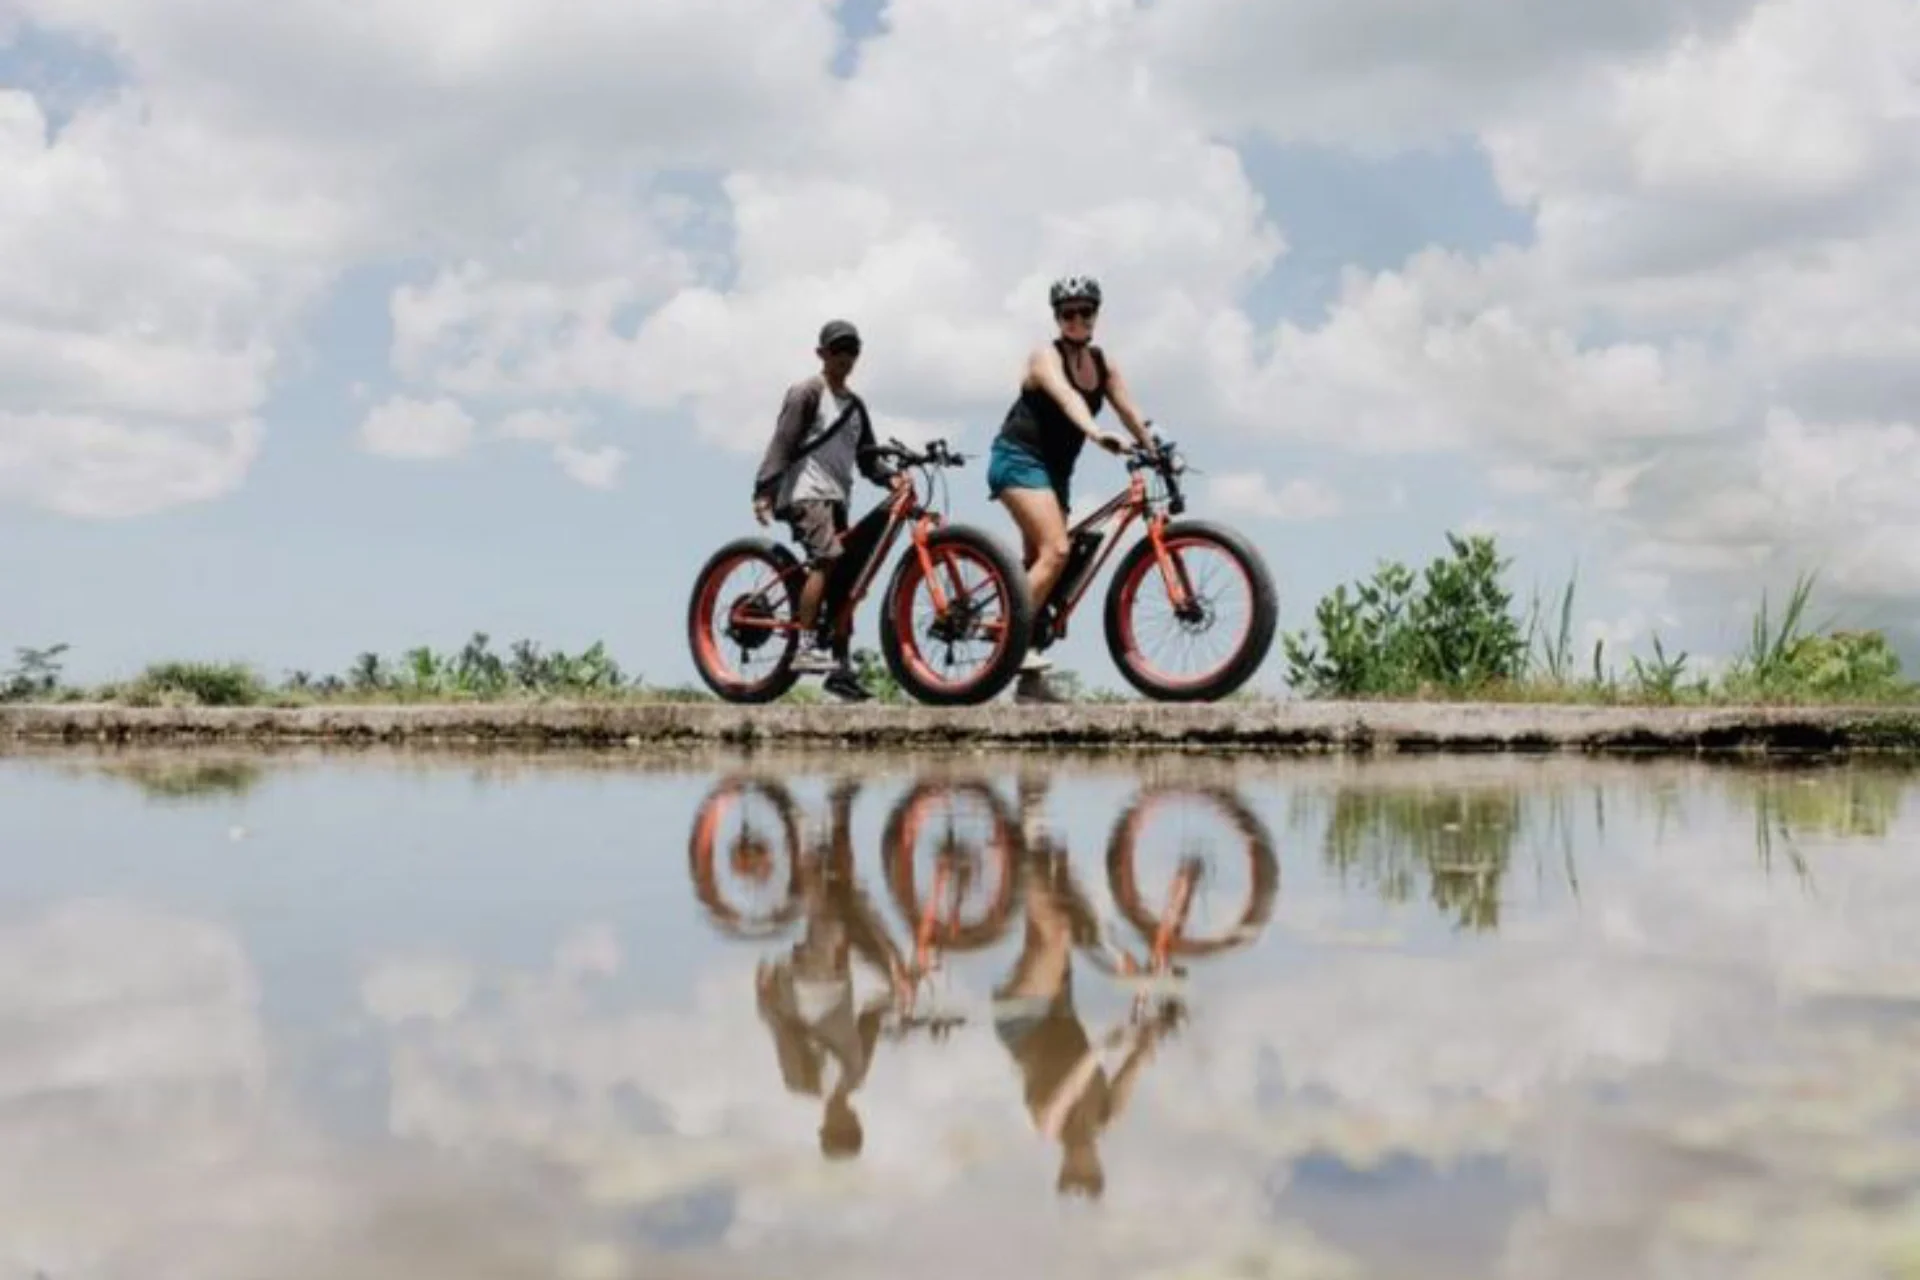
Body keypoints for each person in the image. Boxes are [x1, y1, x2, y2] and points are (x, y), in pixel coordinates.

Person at [986, 276, 1157, 703]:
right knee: (1057, 551)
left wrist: (1157, 448)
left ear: (1096, 313)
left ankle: (1029, 681)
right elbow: (1067, 399)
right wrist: (1097, 433)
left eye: (1086, 311)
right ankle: (1006, 637)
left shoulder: (1103, 364)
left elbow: (1131, 410)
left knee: (1044, 566)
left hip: (1057, 473)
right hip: (1018, 460)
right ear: (1058, 318)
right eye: (1068, 314)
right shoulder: (1043, 358)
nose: (1078, 319)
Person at [753, 319, 910, 702]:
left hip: (838, 498)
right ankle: (805, 645)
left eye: (852, 350)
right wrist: (765, 490)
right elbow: (784, 440)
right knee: (827, 557)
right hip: (805, 492)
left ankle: (840, 670)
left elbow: (868, 459)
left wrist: (890, 478)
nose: (845, 357)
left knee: (847, 582)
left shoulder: (855, 407)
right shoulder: (808, 392)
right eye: (837, 349)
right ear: (821, 354)